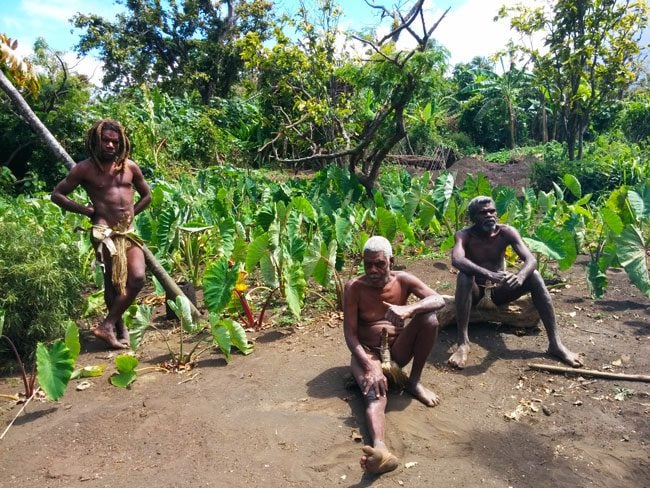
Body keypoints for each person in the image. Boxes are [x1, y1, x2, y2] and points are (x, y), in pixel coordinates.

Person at [343, 236, 445, 475]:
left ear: (391, 260)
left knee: (429, 319)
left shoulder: (403, 280)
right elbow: (350, 334)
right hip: (368, 353)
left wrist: (409, 309)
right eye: (367, 264)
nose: (373, 270)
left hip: (397, 349)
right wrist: (370, 366)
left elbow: (438, 299)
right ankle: (380, 449)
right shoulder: (354, 288)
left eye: (379, 264)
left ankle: (414, 382)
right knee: (374, 394)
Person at [448, 195, 583, 369]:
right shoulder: (464, 235)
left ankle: (555, 344)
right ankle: (463, 343)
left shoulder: (506, 232)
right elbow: (457, 259)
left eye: (492, 211)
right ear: (473, 217)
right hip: (475, 293)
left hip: (499, 292)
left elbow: (530, 260)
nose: (489, 215)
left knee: (534, 276)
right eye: (483, 213)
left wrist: (519, 277)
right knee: (464, 276)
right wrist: (488, 273)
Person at [51, 119, 151, 349]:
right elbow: (58, 195)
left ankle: (107, 325)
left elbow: (147, 195)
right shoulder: (84, 169)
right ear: (96, 141)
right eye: (105, 140)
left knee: (137, 279)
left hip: (127, 231)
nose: (109, 145)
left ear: (120, 143)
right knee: (114, 283)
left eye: (114, 142)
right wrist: (87, 211)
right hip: (104, 232)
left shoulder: (130, 167)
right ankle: (119, 329)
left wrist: (132, 212)